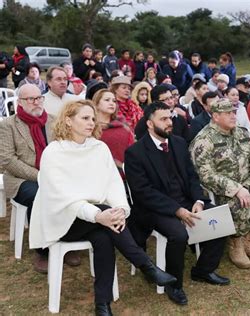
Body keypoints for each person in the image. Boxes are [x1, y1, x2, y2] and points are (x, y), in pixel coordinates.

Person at [29, 100, 177, 315]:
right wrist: (98, 214)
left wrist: (120, 210)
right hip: (63, 220)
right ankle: (147, 266)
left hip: (99, 219)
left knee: (105, 237)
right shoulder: (54, 152)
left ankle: (102, 304)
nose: (91, 122)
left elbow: (114, 184)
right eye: (85, 118)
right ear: (68, 121)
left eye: (92, 118)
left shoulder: (99, 148)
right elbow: (63, 197)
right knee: (102, 217)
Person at [125, 102, 229, 305]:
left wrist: (198, 200)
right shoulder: (135, 153)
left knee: (220, 218)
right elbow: (143, 193)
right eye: (163, 119)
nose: (169, 122)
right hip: (155, 209)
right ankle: (174, 284)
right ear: (149, 123)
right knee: (178, 234)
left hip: (186, 201)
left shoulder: (179, 143)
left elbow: (192, 176)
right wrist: (176, 210)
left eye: (170, 117)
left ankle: (203, 270)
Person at [0, 84, 81, 273]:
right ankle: (43, 249)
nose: (36, 102)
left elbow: (66, 151)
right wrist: (41, 176)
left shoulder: (53, 122)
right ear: (20, 102)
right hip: (21, 179)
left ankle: (66, 239)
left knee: (72, 193)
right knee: (40, 195)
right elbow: (7, 160)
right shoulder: (8, 125)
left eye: (39, 98)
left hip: (55, 176)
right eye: (31, 99)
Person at [190, 99, 250, 269]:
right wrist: (236, 189)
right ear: (215, 116)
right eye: (228, 113)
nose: (233, 116)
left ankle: (248, 240)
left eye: (233, 112)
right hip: (220, 190)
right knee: (241, 202)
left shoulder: (241, 133)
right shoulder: (203, 140)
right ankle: (235, 244)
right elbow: (205, 175)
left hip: (247, 182)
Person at [92, 89, 135, 171]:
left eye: (114, 101)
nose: (111, 103)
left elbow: (133, 155)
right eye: (107, 100)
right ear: (96, 104)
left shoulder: (124, 128)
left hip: (121, 177)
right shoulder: (88, 128)